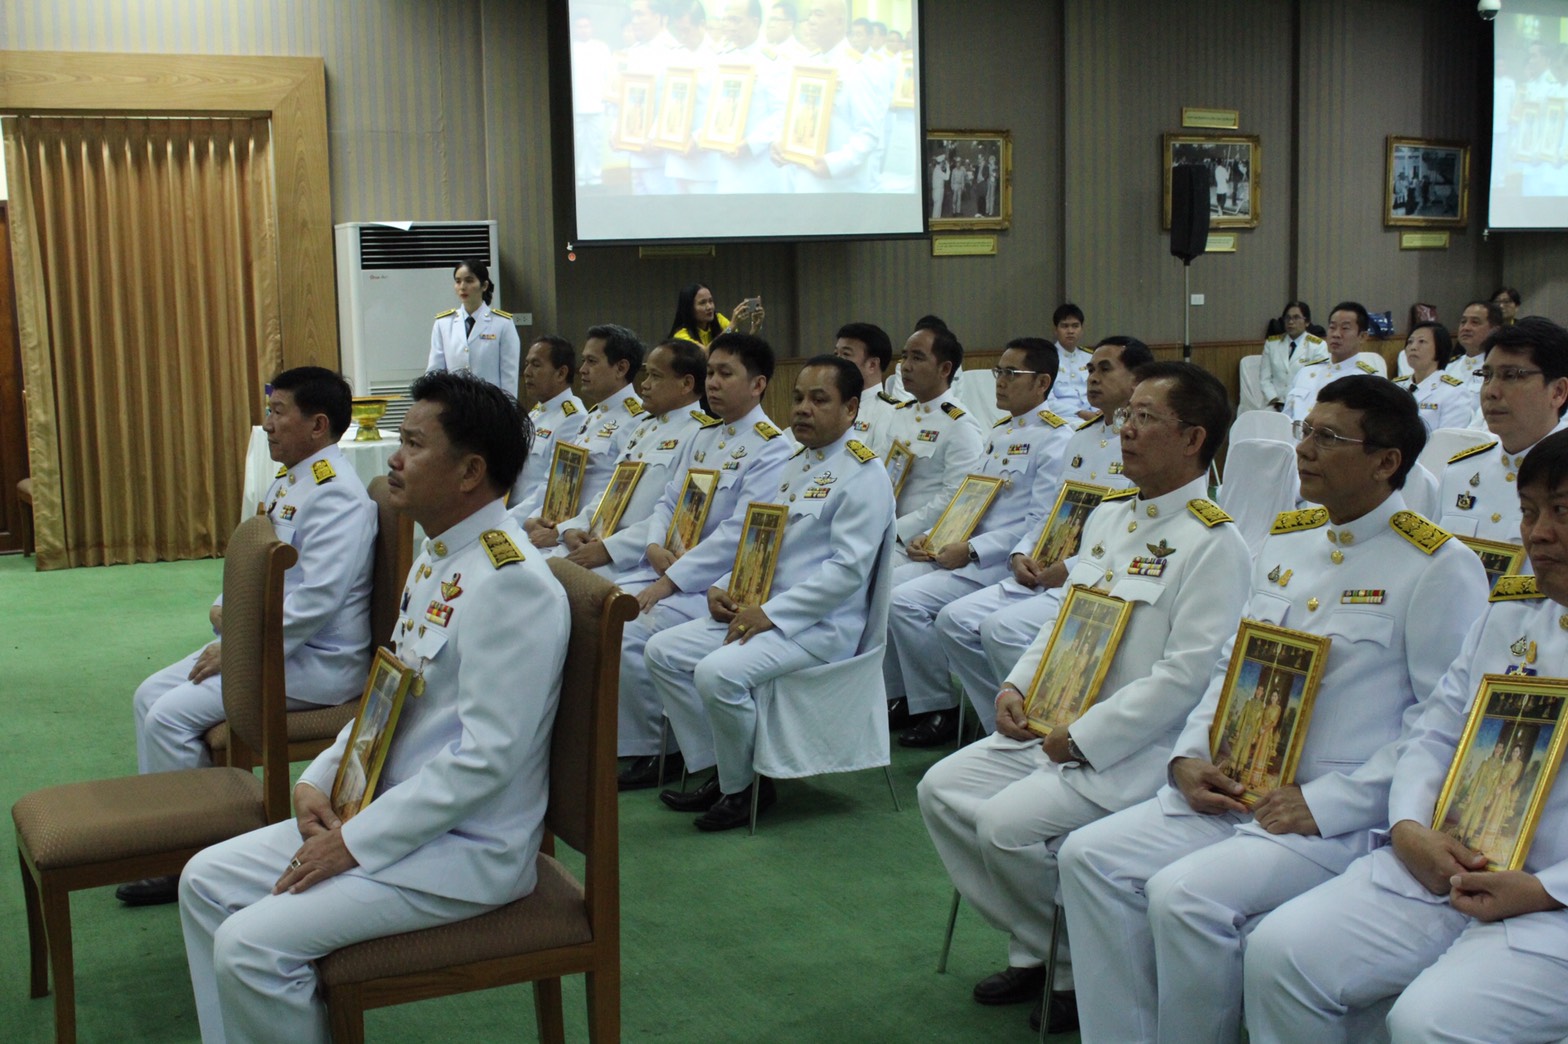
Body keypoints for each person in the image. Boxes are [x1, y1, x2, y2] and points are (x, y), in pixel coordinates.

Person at [1058, 375, 1489, 1044]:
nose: (1305, 449)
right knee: (1088, 858)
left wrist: (1335, 803)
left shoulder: (1436, 565)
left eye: (1329, 438)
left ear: (1385, 461)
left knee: (1186, 898)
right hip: (1236, 783)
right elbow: (1233, 660)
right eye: (1305, 432)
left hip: (1330, 811)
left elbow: (1441, 724)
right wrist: (1189, 757)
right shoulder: (1288, 540)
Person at [178, 370, 568, 1044]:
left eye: (413, 443)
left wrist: (351, 845)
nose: (392, 457)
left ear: (471, 471)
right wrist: (316, 778)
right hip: (388, 808)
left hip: (466, 846)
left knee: (250, 945)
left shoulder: (511, 584)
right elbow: (386, 694)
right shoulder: (442, 554)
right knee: (204, 879)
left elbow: (486, 760)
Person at [918, 362, 1251, 1035]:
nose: (1125, 430)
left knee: (1004, 827)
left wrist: (1088, 737)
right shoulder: (1109, 516)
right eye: (1127, 416)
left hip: (1134, 747)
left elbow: (1186, 677)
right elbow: (1061, 619)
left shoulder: (1214, 542)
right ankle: (1048, 948)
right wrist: (1017, 683)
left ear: (1193, 437)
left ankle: (1070, 966)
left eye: (1145, 418)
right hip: (1055, 725)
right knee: (942, 789)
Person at [1243, 429, 1568, 1044]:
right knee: (1280, 953)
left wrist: (1546, 888)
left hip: (1553, 896)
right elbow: (1437, 731)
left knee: (1429, 1023)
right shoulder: (1511, 614)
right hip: (1444, 862)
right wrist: (1409, 826)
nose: (1538, 533)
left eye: (1562, 512)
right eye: (1529, 512)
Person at [122, 367, 377, 908]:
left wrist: (239, 645)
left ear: (318, 425)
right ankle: (168, 837)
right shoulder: (294, 478)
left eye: (279, 411)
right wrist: (229, 613)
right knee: (148, 694)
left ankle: (189, 858)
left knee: (169, 715)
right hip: (271, 644)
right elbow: (267, 573)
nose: (267, 423)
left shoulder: (337, 494)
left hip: (315, 663)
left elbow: (315, 603)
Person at [645, 354, 896, 830]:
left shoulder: (864, 475)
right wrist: (722, 587)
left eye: (819, 400)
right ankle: (724, 769)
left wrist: (772, 614)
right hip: (759, 610)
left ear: (851, 410)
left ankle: (743, 791)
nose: (802, 408)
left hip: (818, 627)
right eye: (798, 398)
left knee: (718, 675)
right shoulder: (793, 461)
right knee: (663, 651)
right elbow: (758, 539)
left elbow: (847, 572)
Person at [934, 336, 1151, 735]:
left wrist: (1067, 567)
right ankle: (997, 723)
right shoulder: (1081, 438)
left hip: (1093, 577)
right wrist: (1022, 552)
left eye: (1105, 369)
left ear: (1137, 380)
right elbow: (1053, 512)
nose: (1092, 377)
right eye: (1090, 369)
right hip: (1045, 568)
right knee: (953, 620)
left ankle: (1040, 726)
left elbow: (1133, 529)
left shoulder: (1144, 444)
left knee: (998, 630)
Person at [614, 332, 794, 789]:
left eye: (725, 373)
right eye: (710, 372)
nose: (713, 383)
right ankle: (665, 748)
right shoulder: (701, 434)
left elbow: (740, 533)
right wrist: (655, 546)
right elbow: (667, 502)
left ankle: (663, 750)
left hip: (714, 584)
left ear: (757, 385)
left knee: (634, 629)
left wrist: (670, 579)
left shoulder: (772, 446)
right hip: (667, 566)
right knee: (606, 610)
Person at [887, 337, 1073, 747]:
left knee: (905, 602)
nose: (1000, 382)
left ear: (1042, 382)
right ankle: (940, 702)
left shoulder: (1056, 438)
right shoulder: (1002, 431)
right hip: (968, 550)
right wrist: (935, 538)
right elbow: (972, 500)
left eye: (1011, 374)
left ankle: (956, 708)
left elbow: (1039, 521)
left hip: (1001, 558)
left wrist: (971, 549)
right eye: (998, 372)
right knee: (890, 592)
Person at [557, 338, 712, 577]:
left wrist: (610, 549)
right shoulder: (644, 427)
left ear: (686, 384)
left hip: (637, 559)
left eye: (655, 376)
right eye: (646, 375)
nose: (645, 385)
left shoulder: (701, 436)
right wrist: (573, 527)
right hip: (598, 541)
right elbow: (613, 491)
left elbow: (678, 515)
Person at [1436, 317, 1568, 542]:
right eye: (1486, 376)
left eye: (1511, 376)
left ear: (1557, 392)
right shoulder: (1460, 471)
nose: (1491, 392)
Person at [512, 325, 645, 545]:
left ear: (621, 368)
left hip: (587, 536)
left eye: (591, 362)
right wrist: (531, 518)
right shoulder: (592, 417)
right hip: (557, 527)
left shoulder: (637, 419)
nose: (582, 369)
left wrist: (561, 531)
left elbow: (615, 494)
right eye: (584, 361)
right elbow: (557, 482)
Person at [883, 322, 986, 554]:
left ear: (945, 369)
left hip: (920, 539)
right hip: (887, 530)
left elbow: (957, 496)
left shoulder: (959, 424)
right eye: (904, 357)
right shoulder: (901, 413)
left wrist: (899, 530)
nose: (905, 367)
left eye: (917, 358)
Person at [771, 0, 889, 193]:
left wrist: (834, 164)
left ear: (839, 22)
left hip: (837, 186)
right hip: (800, 179)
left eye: (819, 14)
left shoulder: (858, 68)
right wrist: (779, 141)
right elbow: (790, 115)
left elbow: (868, 132)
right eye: (810, 15)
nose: (811, 21)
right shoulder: (805, 64)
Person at [426, 259, 521, 397]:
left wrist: (508, 412)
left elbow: (509, 376)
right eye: (458, 281)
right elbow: (435, 371)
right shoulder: (443, 323)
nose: (462, 287)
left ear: (484, 285)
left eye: (469, 281)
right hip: (455, 405)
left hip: (490, 406)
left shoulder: (502, 323)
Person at [511, 335, 585, 509]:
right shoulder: (537, 411)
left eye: (536, 365)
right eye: (527, 364)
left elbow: (554, 488)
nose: (527, 372)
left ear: (561, 373)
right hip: (512, 509)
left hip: (532, 519)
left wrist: (509, 518)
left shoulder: (573, 418)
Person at [1282, 301, 1387, 421]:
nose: (1336, 334)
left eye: (1345, 328)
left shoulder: (1367, 382)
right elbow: (1287, 417)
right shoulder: (1306, 372)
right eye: (1332, 327)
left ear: (1362, 337)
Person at [833, 321, 905, 454]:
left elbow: (879, 470)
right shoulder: (832, 405)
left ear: (872, 365)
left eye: (846, 355)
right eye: (836, 354)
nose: (837, 362)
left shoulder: (890, 412)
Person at [1395, 320, 1471, 433]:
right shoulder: (1396, 385)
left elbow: (1449, 439)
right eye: (1410, 342)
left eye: (1422, 341)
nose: (1413, 347)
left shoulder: (1454, 392)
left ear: (1440, 348)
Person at [571, 16, 614, 188]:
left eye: (586, 26)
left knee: (596, 143)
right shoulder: (570, 48)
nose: (583, 30)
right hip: (576, 105)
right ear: (574, 29)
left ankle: (596, 176)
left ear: (592, 28)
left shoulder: (601, 48)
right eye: (580, 26)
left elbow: (609, 76)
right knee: (579, 144)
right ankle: (581, 177)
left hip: (597, 104)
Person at [1260, 301, 1327, 410]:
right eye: (1287, 318)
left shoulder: (1317, 346)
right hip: (1274, 404)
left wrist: (1297, 403)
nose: (1291, 322)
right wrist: (1275, 400)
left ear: (1307, 322)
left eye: (1296, 318)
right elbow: (1264, 378)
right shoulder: (1272, 344)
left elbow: (1317, 381)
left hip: (1304, 404)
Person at [668, 281, 762, 348]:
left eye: (711, 301)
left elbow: (741, 347)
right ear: (689, 308)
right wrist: (731, 326)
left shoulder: (719, 319)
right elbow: (705, 354)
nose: (709, 307)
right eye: (702, 303)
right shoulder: (680, 336)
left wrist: (755, 328)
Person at [1047, 304, 1096, 420]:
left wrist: (1098, 413)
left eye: (1075, 326)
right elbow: (1046, 400)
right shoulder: (1046, 358)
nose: (1070, 331)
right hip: (1064, 417)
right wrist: (1079, 412)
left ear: (1082, 329)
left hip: (1094, 414)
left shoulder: (1090, 358)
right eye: (1064, 326)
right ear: (1055, 330)